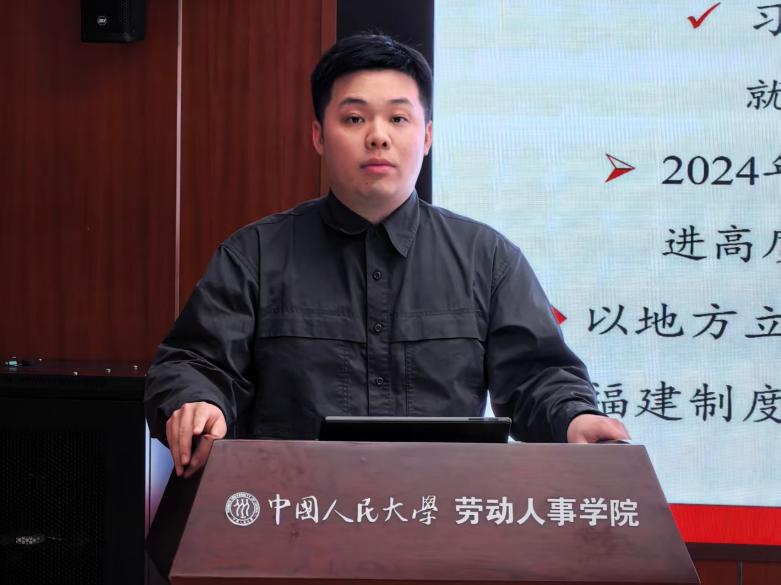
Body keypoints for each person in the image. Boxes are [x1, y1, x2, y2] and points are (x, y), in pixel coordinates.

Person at [144, 33, 629, 479]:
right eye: (354, 119)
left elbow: (537, 376)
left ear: (427, 136)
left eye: (398, 118)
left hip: (441, 513)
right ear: (319, 136)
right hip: (294, 513)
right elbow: (195, 362)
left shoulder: (488, 259)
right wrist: (198, 401)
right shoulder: (254, 255)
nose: (378, 136)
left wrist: (574, 418)